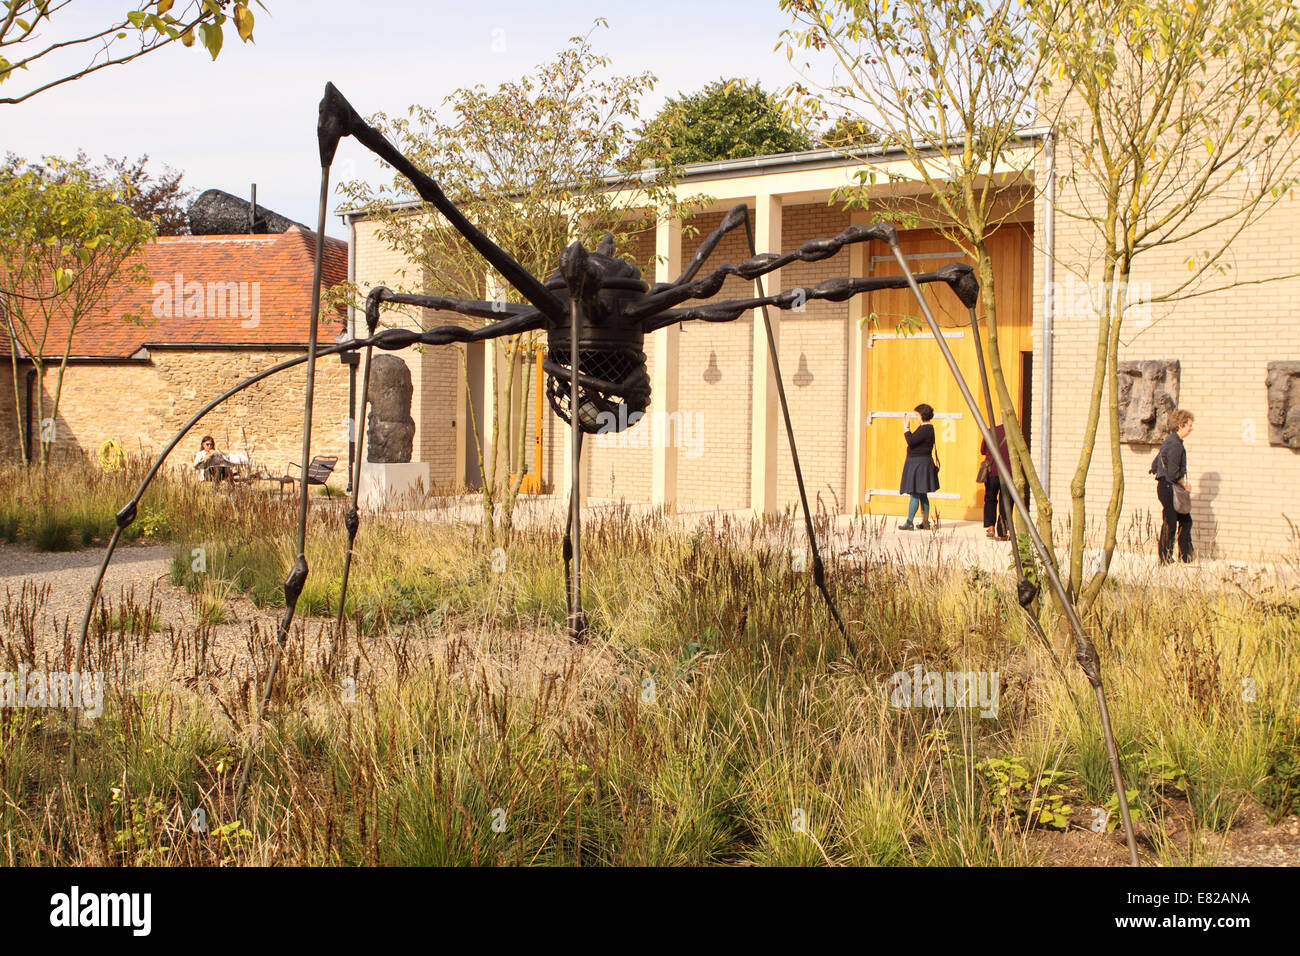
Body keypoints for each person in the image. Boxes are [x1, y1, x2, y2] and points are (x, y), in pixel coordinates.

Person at [1150, 409, 1195, 564]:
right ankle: (1168, 557)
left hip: (1165, 487)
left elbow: (1155, 465)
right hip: (1170, 488)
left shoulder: (1169, 441)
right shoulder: (1175, 444)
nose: (1191, 428)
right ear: (1181, 425)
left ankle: (1179, 556)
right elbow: (1173, 473)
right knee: (1173, 522)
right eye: (1189, 425)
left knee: (1177, 520)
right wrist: (1185, 484)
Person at [899, 403, 939, 530]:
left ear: (922, 415)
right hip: (922, 462)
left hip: (918, 464)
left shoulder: (925, 429)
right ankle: (925, 522)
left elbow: (911, 441)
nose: (915, 417)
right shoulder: (927, 428)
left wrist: (906, 428)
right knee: (922, 494)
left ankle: (909, 522)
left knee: (915, 493)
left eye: (917, 415)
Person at [980, 423, 1010, 541]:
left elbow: (983, 450)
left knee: (990, 499)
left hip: (992, 471)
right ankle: (1002, 532)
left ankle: (991, 527)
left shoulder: (990, 431)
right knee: (1005, 502)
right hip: (1008, 473)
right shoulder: (1014, 433)